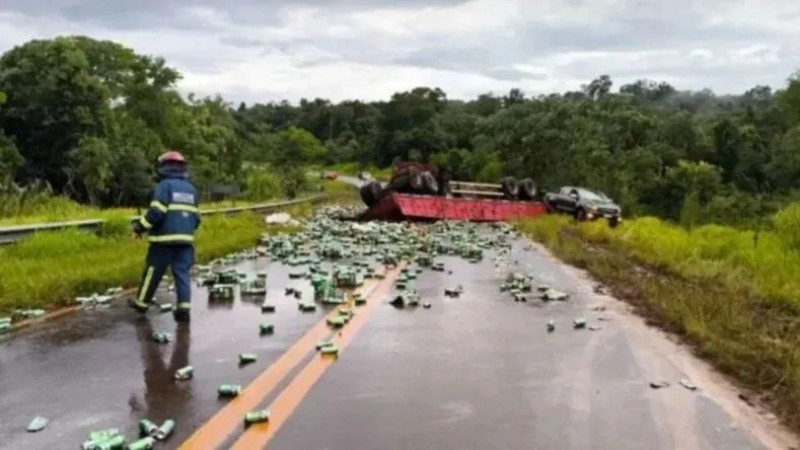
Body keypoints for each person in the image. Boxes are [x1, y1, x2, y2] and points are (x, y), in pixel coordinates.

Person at [129, 151, 200, 323]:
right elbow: (196, 219)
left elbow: (156, 213)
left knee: (152, 272)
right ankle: (183, 309)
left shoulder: (164, 186)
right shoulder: (192, 190)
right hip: (185, 241)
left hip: (163, 241)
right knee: (182, 274)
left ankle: (141, 303)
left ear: (164, 167)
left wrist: (139, 228)